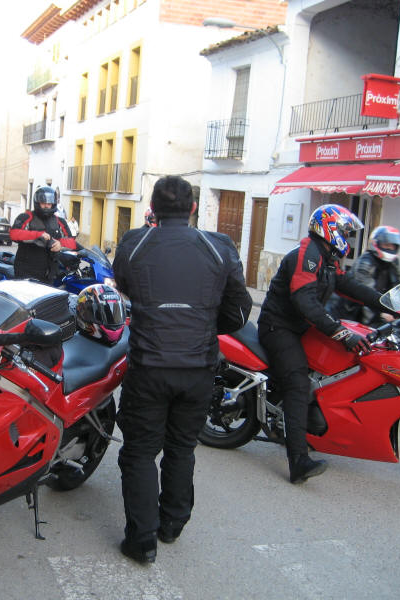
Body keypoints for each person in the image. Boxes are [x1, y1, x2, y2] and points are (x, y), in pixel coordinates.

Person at [113, 175, 253, 564]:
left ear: (153, 209)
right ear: (193, 208)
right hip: (197, 367)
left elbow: (124, 285)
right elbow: (240, 310)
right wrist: (203, 326)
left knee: (140, 451)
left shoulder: (134, 242)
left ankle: (142, 540)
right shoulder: (218, 246)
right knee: (181, 447)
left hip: (149, 365)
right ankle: (172, 524)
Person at [258, 204, 386, 485]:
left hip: (302, 326)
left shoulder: (327, 259)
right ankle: (298, 461)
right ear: (329, 229)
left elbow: (350, 286)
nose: (347, 237)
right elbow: (304, 301)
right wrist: (342, 333)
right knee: (297, 383)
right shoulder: (307, 254)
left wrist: (387, 302)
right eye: (344, 231)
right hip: (279, 327)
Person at [329, 225, 400, 326]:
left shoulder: (393, 263)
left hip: (377, 310)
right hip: (352, 314)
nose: (390, 248)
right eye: (386, 244)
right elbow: (366, 294)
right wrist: (381, 314)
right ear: (376, 243)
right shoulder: (365, 262)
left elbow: (398, 287)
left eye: (392, 246)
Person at [10, 186, 77, 283]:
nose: (46, 206)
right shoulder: (25, 217)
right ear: (37, 203)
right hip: (26, 271)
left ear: (53, 204)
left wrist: (60, 244)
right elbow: (14, 234)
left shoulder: (60, 221)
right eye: (43, 203)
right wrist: (37, 235)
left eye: (49, 204)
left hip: (50, 272)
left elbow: (72, 242)